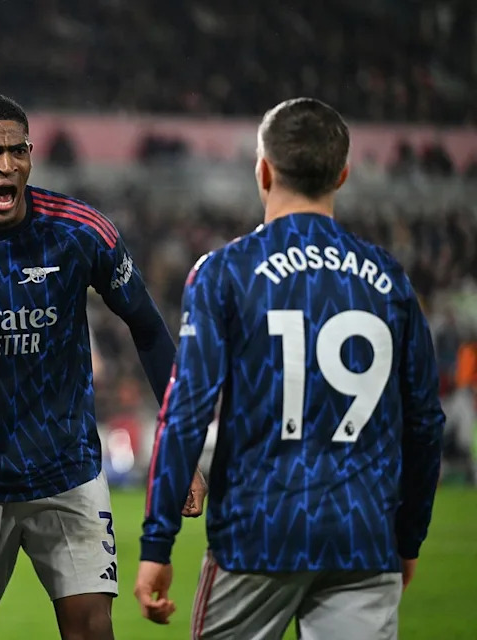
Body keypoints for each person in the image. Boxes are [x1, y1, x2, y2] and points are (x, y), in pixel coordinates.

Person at [135, 97, 445, 640]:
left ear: (264, 169)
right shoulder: (390, 279)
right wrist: (407, 538)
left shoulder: (226, 273)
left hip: (258, 534)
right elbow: (425, 422)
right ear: (343, 174)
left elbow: (185, 413)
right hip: (363, 538)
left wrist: (157, 543)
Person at [0, 93, 203, 640]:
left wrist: (182, 449)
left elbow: (149, 329)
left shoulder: (78, 230)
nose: (6, 165)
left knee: (92, 630)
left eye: (18, 151)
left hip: (65, 471)